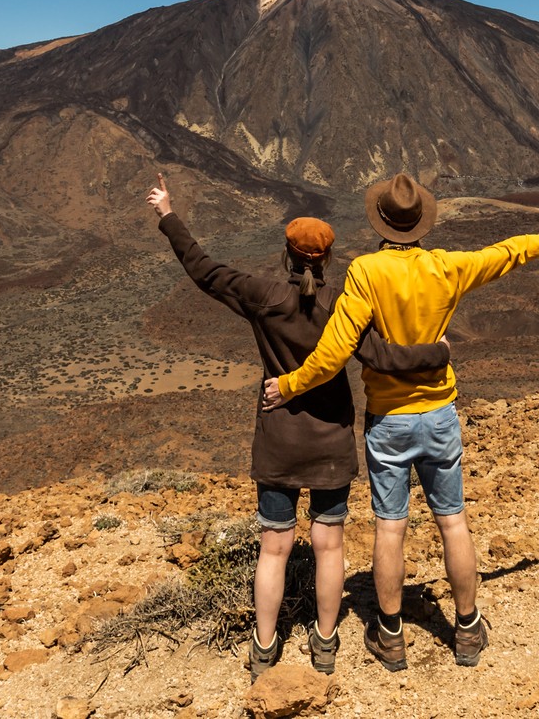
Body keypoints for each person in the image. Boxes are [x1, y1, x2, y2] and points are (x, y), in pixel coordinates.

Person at [263, 173, 539, 671]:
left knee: (390, 527)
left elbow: (335, 351)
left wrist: (291, 384)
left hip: (389, 421)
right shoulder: (447, 267)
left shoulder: (366, 271)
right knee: (453, 521)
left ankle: (391, 635)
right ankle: (467, 629)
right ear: (420, 222)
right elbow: (507, 251)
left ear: (380, 221)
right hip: (440, 415)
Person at [146, 173, 451, 681]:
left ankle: (264, 648)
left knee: (274, 547)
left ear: (287, 254)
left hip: (279, 439)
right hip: (330, 440)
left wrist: (167, 214)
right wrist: (436, 353)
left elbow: (202, 269)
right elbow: (385, 357)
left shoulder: (262, 294)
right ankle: (326, 643)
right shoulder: (344, 304)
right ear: (328, 259)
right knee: (329, 545)